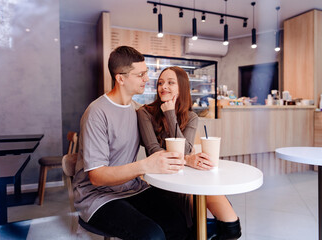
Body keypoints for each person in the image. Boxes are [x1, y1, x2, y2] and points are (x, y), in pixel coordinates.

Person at [73, 46, 190, 240]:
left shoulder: (138, 111)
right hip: (97, 197)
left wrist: (189, 158)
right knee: (151, 235)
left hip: (131, 189)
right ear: (120, 78)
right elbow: (97, 176)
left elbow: (161, 145)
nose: (147, 79)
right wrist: (144, 165)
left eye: (146, 73)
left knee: (179, 221)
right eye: (141, 74)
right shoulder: (96, 113)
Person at [137, 66, 242, 240]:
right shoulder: (145, 113)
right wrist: (188, 159)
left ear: (182, 87)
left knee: (232, 229)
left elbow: (184, 150)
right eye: (161, 83)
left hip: (188, 178)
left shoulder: (191, 116)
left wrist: (171, 114)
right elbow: (154, 151)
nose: (164, 87)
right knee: (191, 228)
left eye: (171, 83)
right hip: (163, 181)